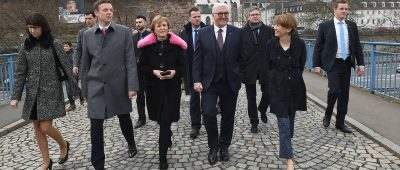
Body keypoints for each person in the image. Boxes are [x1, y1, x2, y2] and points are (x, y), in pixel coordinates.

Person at [10, 13, 78, 170]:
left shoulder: (55, 43)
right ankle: (46, 161)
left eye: (36, 27)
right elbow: (20, 73)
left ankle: (63, 145)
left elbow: (67, 68)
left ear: (43, 26)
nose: (33, 31)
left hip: (51, 92)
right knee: (37, 128)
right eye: (30, 28)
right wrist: (15, 96)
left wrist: (76, 89)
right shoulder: (25, 46)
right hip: (33, 94)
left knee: (45, 127)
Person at [80, 0, 139, 169]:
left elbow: (130, 60)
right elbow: (85, 63)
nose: (109, 12)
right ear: (96, 13)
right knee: (96, 126)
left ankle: (131, 143)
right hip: (95, 86)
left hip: (118, 84)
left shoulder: (124, 32)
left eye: (111, 10)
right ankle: (98, 164)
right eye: (105, 10)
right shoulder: (87, 35)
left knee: (124, 118)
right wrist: (84, 89)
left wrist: (132, 86)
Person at [192, 3, 242, 165]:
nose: (223, 16)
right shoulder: (203, 33)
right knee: (208, 113)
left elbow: (243, 58)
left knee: (228, 116)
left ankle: (224, 146)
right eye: (220, 13)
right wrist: (197, 80)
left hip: (230, 83)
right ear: (213, 15)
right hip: (209, 82)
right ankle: (213, 146)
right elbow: (197, 59)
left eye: (225, 13)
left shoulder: (237, 33)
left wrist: (238, 75)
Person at [137, 15, 187, 169]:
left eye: (165, 25)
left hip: (172, 88)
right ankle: (167, 135)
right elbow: (142, 67)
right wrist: (154, 72)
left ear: (168, 27)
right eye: (159, 26)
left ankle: (162, 157)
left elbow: (183, 67)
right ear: (153, 29)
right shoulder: (146, 48)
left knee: (165, 120)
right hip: (154, 89)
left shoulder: (177, 47)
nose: (162, 28)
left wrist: (174, 72)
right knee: (161, 119)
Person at [313, 0, 364, 133]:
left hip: (346, 63)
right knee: (335, 90)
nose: (344, 11)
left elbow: (357, 46)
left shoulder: (351, 26)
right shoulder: (325, 26)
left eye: (346, 9)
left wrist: (361, 64)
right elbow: (318, 46)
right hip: (333, 63)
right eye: (341, 9)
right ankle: (328, 112)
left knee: (344, 95)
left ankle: (340, 123)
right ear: (335, 9)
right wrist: (316, 65)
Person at [267, 14, 307, 170]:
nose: (275, 28)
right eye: (275, 24)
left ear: (289, 28)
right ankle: (289, 158)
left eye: (279, 25)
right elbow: (268, 64)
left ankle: (287, 143)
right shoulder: (270, 44)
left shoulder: (300, 44)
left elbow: (301, 65)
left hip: (294, 86)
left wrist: (292, 77)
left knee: (289, 122)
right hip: (277, 87)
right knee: (283, 122)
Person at [240, 6, 274, 133]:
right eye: (253, 14)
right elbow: (239, 51)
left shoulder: (269, 30)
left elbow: (274, 48)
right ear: (249, 16)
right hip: (249, 68)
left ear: (260, 16)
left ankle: (263, 109)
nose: (255, 16)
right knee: (251, 97)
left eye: (257, 14)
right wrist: (241, 67)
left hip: (266, 67)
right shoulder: (242, 32)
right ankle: (254, 122)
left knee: (269, 92)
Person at [179, 7, 206, 139]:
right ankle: (195, 125)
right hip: (191, 71)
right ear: (190, 18)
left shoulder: (207, 31)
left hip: (206, 70)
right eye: (194, 16)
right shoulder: (184, 33)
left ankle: (207, 118)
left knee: (207, 97)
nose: (197, 19)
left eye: (199, 16)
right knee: (194, 100)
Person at [72, 10, 96, 106]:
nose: (87, 21)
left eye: (90, 18)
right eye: (86, 19)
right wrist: (75, 64)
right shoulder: (82, 32)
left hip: (99, 65)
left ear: (95, 18)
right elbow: (78, 49)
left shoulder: (102, 30)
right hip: (86, 66)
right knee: (87, 89)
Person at [132, 15, 151, 129]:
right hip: (137, 71)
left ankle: (156, 114)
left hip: (149, 70)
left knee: (151, 94)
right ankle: (141, 118)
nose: (138, 24)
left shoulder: (151, 36)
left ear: (145, 23)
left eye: (140, 22)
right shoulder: (133, 37)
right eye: (137, 22)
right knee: (140, 96)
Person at [63, 41, 77, 111]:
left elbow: (76, 63)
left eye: (66, 46)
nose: (65, 47)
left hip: (73, 75)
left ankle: (81, 95)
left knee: (74, 89)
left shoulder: (73, 54)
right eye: (64, 46)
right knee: (68, 91)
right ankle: (72, 105)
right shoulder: (62, 55)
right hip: (66, 75)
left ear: (70, 47)